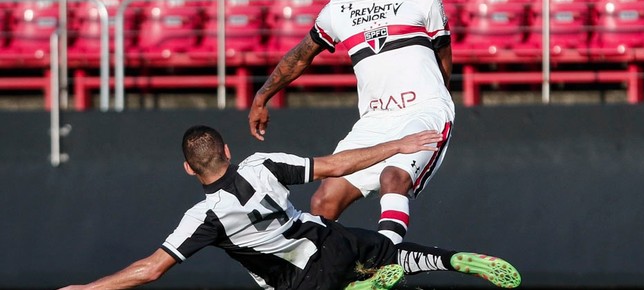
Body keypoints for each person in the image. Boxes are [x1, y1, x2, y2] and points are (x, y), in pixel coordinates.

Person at [59, 125, 521, 290]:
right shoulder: (263, 164)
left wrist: (86, 289)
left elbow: (150, 269)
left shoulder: (204, 217)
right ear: (226, 151)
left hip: (297, 280)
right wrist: (397, 144)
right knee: (389, 249)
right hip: (328, 238)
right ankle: (450, 260)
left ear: (187, 169)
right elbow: (337, 164)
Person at [248, 0, 455, 244]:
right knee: (323, 200)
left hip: (424, 111)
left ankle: (387, 263)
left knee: (393, 177)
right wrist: (262, 96)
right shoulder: (338, 8)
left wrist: (436, 102)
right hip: (374, 121)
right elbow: (302, 55)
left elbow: (444, 57)